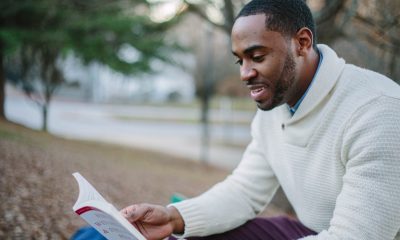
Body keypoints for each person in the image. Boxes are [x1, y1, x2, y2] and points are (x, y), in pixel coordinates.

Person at [121, 0, 400, 239]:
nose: (245, 73)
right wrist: (173, 217)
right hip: (310, 230)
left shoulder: (378, 111)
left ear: (302, 43)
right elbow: (244, 191)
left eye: (256, 57)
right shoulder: (277, 104)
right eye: (240, 60)